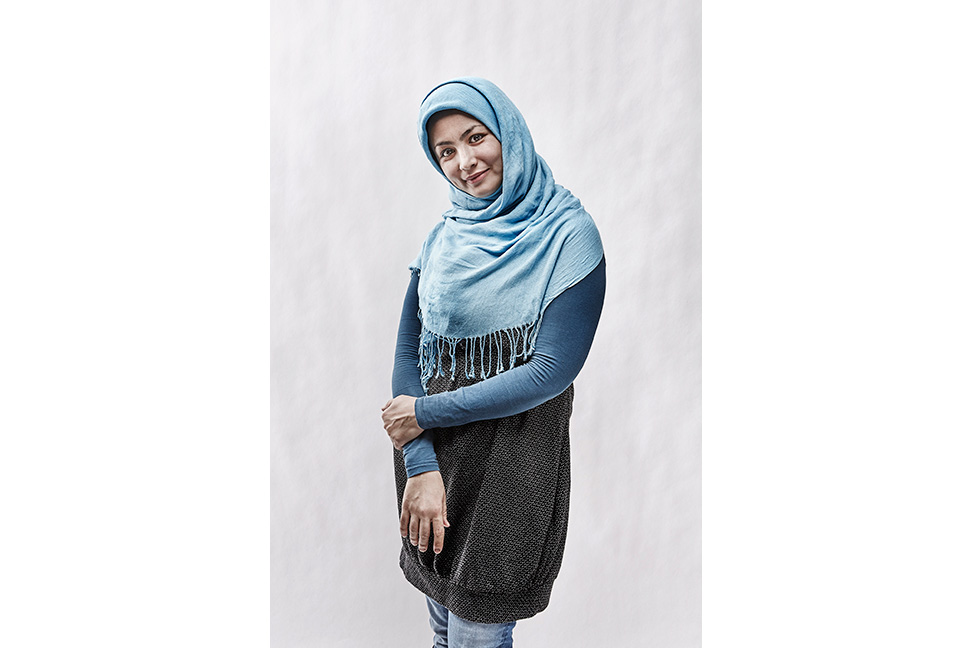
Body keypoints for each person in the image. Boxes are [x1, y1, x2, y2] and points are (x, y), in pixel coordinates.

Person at [381, 77, 606, 648]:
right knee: (441, 629)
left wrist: (423, 414)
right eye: (445, 152)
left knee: (476, 636)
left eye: (476, 137)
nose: (464, 162)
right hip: (434, 464)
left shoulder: (568, 235)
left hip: (513, 466)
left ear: (509, 132)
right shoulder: (443, 238)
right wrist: (420, 465)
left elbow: (551, 370)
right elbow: (409, 351)